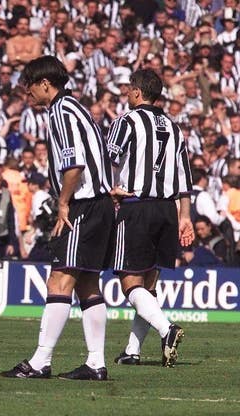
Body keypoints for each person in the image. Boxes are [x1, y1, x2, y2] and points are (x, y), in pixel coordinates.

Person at [1, 56, 115, 381]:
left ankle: (40, 361)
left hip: (84, 204)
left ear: (45, 84)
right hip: (100, 204)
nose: (28, 94)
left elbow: (74, 164)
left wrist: (63, 203)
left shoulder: (61, 112)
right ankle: (96, 363)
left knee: (59, 280)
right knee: (88, 283)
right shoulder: (76, 108)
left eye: (30, 87)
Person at [107, 69, 193, 368]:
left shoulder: (127, 120)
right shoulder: (175, 127)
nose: (127, 93)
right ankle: (132, 350)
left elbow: (110, 158)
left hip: (137, 206)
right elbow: (184, 178)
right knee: (148, 284)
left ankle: (166, 329)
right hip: (167, 211)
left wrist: (112, 189)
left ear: (137, 92)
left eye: (129, 88)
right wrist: (186, 217)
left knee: (130, 282)